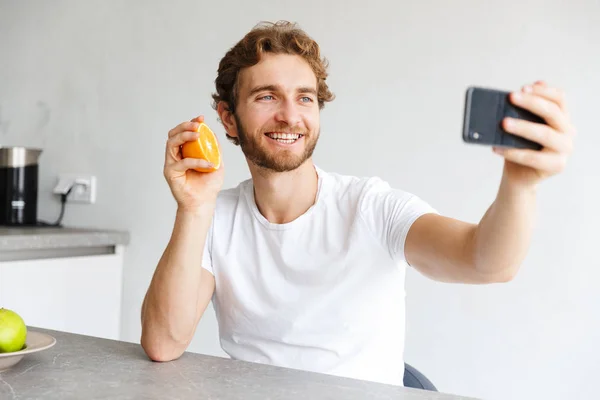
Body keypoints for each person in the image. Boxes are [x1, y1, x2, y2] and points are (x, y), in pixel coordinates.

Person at [140, 21, 575, 386]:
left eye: (305, 98)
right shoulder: (216, 215)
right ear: (228, 117)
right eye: (267, 96)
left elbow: (486, 262)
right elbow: (163, 342)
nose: (291, 116)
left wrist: (520, 183)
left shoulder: (371, 208)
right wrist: (193, 208)